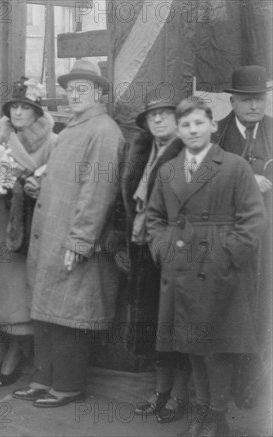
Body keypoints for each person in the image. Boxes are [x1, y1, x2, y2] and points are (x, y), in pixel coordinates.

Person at [146, 97, 266, 437]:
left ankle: (217, 416)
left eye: (199, 123)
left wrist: (225, 256)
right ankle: (201, 411)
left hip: (218, 270)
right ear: (178, 130)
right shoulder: (169, 169)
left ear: (213, 125)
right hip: (179, 267)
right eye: (185, 125)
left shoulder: (233, 166)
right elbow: (154, 217)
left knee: (215, 348)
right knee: (191, 346)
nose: (192, 130)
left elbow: (254, 220)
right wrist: (162, 247)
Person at [13, 59, 125, 408]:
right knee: (47, 312)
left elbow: (99, 190)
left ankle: (68, 385)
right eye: (70, 89)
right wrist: (39, 185)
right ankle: (44, 379)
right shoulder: (76, 125)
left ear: (99, 93)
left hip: (73, 238)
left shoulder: (105, 131)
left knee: (69, 316)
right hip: (52, 234)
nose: (74, 95)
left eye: (83, 89)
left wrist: (80, 240)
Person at [0, 77, 56, 387]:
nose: (19, 113)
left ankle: (15, 352)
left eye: (26, 107)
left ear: (37, 111)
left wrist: (34, 185)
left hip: (27, 226)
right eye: (14, 107)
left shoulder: (53, 141)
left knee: (19, 293)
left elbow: (57, 181)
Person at [122, 89, 191, 423]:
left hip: (174, 254)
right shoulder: (142, 151)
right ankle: (161, 390)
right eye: (153, 115)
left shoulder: (188, 152)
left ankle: (180, 395)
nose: (160, 119)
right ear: (147, 124)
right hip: (142, 250)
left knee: (176, 326)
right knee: (153, 323)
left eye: (166, 113)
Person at [212, 65, 272, 409]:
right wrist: (244, 176)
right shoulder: (216, 134)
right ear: (232, 101)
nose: (254, 106)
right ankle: (226, 385)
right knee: (231, 308)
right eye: (247, 99)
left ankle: (254, 384)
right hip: (228, 239)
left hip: (268, 242)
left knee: (264, 309)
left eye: (259, 99)